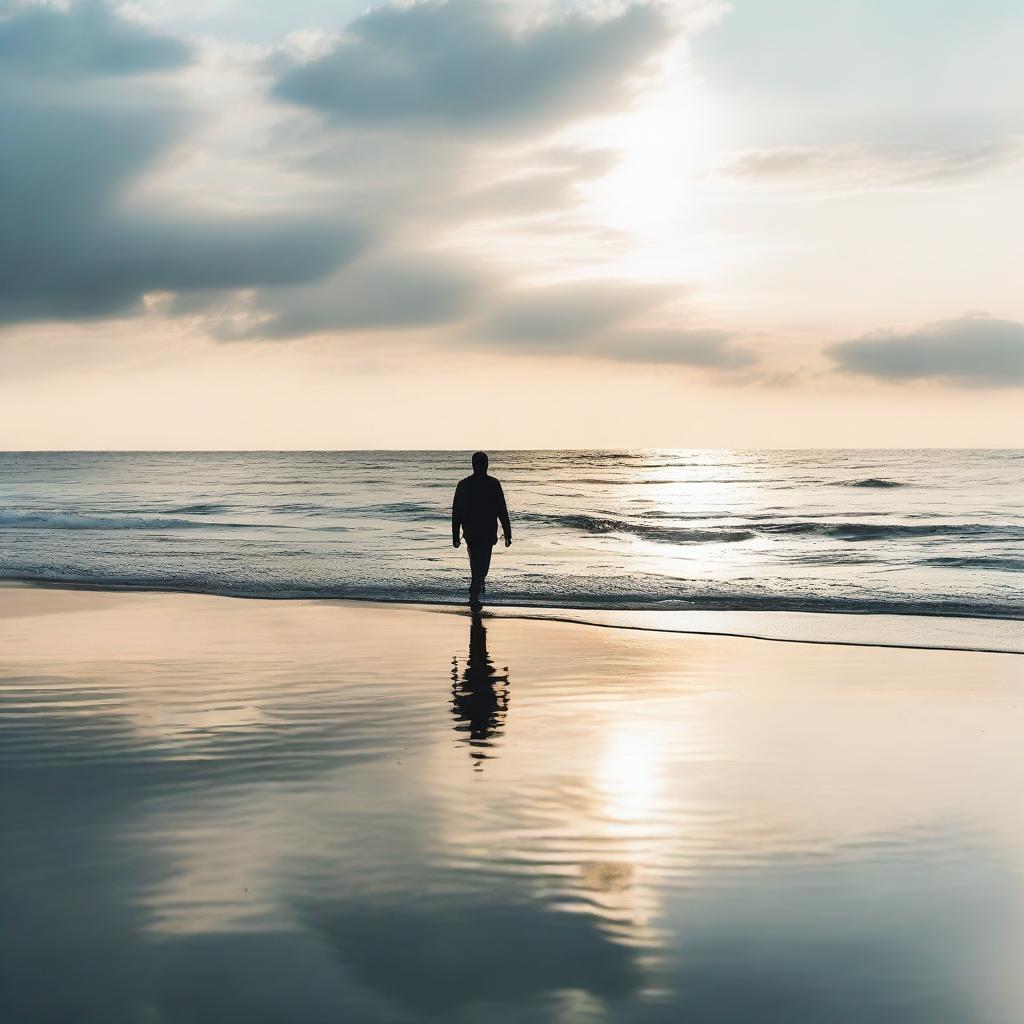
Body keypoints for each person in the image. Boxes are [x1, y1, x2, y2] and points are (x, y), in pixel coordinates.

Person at [452, 452, 511, 605]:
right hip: (477, 531)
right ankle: (475, 586)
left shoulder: (490, 484)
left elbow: (501, 510)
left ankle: (477, 582)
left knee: (480, 563)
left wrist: (508, 532)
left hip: (481, 531)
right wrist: (455, 536)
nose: (480, 466)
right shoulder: (466, 485)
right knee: (479, 561)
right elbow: (456, 511)